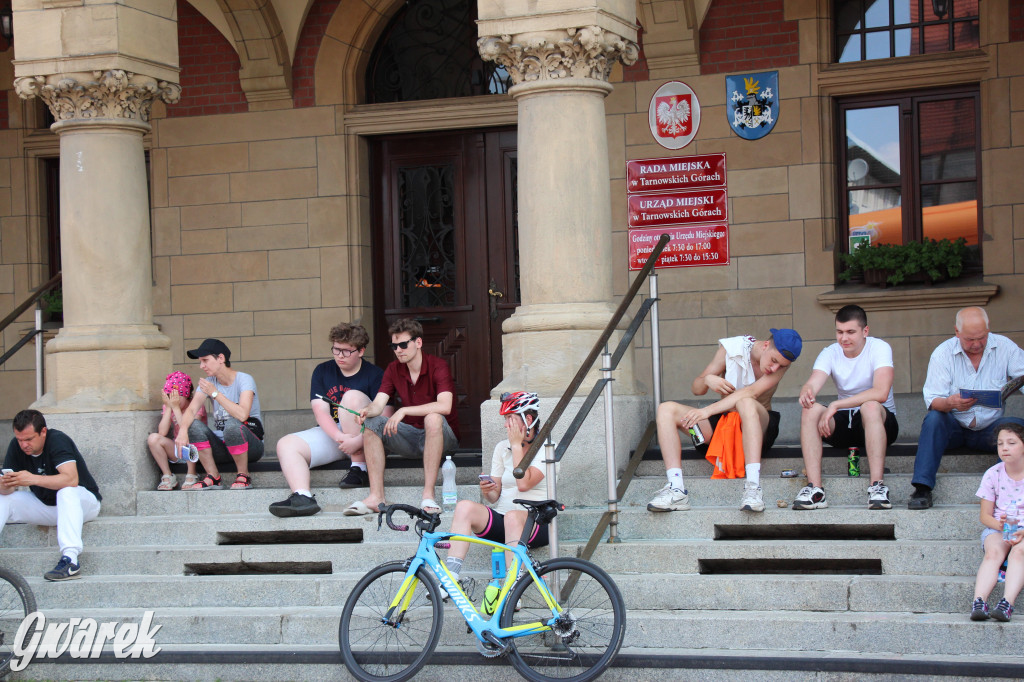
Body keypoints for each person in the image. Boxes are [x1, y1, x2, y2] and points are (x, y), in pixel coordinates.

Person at [648, 328, 803, 514]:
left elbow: (750, 393)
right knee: (666, 409)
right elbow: (696, 389)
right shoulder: (731, 349)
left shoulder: (782, 363)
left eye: (781, 366)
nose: (774, 368)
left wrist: (706, 411)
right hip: (724, 424)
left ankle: (753, 488)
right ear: (766, 345)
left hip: (759, 429)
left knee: (746, 402)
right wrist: (708, 380)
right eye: (774, 361)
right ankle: (676, 489)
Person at [909, 307, 1024, 510]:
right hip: (954, 428)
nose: (977, 344)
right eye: (970, 340)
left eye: (982, 338)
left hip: (991, 430)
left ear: (988, 330)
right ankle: (922, 488)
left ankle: (1009, 490)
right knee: (934, 418)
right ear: (957, 332)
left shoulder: (1005, 347)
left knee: (1016, 426)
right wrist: (951, 403)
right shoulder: (942, 353)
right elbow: (933, 400)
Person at [344, 318, 460, 516]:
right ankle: (376, 497)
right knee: (372, 422)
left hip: (442, 438)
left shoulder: (437, 365)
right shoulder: (393, 369)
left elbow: (445, 406)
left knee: (433, 418)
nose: (398, 350)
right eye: (394, 345)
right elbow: (379, 404)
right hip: (411, 438)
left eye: (403, 344)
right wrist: (367, 411)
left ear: (418, 343)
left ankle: (428, 495)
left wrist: (405, 410)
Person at [269, 323, 385, 517]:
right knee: (286, 444)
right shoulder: (323, 371)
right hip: (337, 436)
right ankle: (302, 497)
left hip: (367, 438)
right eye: (336, 349)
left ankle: (359, 468)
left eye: (346, 351)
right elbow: (320, 411)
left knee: (351, 397)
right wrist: (340, 437)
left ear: (361, 350)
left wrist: (358, 441)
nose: (339, 355)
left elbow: (385, 415)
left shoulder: (375, 374)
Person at [443, 392, 550, 596]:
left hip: (536, 523)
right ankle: (450, 578)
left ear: (528, 420)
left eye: (510, 419)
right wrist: (489, 492)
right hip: (505, 520)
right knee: (464, 507)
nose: (505, 425)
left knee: (512, 517)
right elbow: (494, 497)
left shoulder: (546, 449)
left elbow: (524, 483)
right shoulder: (502, 448)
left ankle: (512, 591)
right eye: (505, 420)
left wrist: (517, 445)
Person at [793, 305, 898, 511]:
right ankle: (815, 489)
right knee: (811, 410)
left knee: (870, 406)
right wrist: (807, 391)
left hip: (880, 422)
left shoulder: (879, 348)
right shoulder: (830, 352)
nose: (844, 338)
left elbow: (881, 392)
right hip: (845, 422)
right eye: (839, 332)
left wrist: (836, 404)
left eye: (850, 332)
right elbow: (814, 381)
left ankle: (877, 487)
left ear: (865, 331)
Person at [0, 410, 102, 581]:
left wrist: (32, 479)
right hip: (47, 507)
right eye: (19, 440)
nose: (24, 445)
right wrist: (4, 485)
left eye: (29, 439)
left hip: (83, 503)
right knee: (3, 498)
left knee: (66, 491)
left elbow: (71, 479)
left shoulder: (57, 440)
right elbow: (7, 491)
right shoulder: (16, 446)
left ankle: (70, 560)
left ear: (43, 432)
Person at [176, 338, 264, 490]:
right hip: (223, 448)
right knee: (192, 425)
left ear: (221, 358)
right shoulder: (209, 383)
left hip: (251, 447)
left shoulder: (244, 379)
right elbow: (191, 410)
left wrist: (215, 393)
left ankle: (244, 475)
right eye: (200, 362)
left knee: (232, 425)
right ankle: (213, 477)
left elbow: (242, 415)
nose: (201, 366)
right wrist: (182, 432)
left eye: (205, 360)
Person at [970, 422, 1024, 622]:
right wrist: (1000, 526)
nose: (1005, 448)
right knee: (993, 552)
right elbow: (985, 516)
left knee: (1019, 551)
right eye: (1000, 444)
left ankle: (1006, 603)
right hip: (1000, 527)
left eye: (1011, 443)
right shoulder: (993, 473)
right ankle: (979, 602)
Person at [147, 371, 207, 491]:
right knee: (153, 438)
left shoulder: (196, 406)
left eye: (177, 398)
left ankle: (192, 474)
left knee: (189, 437)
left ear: (186, 395)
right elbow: (162, 432)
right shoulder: (171, 406)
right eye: (170, 397)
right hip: (177, 449)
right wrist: (169, 407)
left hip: (197, 450)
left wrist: (176, 408)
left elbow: (190, 430)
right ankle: (168, 476)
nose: (174, 401)